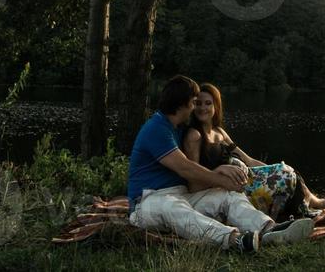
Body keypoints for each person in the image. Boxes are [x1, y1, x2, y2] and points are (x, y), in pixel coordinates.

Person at [127, 75, 314, 253]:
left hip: (181, 194)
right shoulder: (156, 129)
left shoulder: (178, 127)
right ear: (181, 103)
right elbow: (185, 167)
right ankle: (235, 240)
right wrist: (220, 178)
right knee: (173, 207)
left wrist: (225, 182)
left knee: (228, 196)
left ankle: (270, 229)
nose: (195, 108)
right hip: (147, 201)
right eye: (193, 102)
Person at [183, 82, 325, 218]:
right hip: (229, 189)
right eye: (198, 103)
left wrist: (272, 170)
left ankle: (317, 203)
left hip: (247, 179)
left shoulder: (219, 132)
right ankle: (303, 210)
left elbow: (248, 160)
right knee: (287, 178)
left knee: (288, 171)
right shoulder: (194, 136)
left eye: (208, 103)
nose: (202, 108)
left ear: (216, 106)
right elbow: (193, 184)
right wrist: (219, 171)